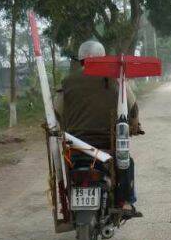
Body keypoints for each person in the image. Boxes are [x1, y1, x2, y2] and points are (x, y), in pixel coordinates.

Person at [59, 39, 143, 217]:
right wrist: (134, 125)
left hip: (74, 145)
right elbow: (131, 105)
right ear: (102, 58)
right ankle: (126, 203)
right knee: (127, 162)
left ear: (80, 59)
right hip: (105, 145)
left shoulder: (66, 82)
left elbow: (57, 111)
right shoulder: (115, 79)